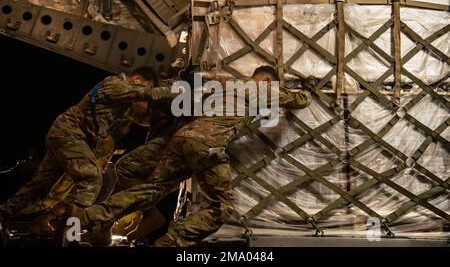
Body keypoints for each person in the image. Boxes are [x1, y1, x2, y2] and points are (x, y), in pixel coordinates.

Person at [68, 66, 314, 247]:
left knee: (152, 188)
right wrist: (309, 88)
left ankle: (86, 217)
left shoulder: (225, 86)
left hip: (182, 138)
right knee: (223, 206)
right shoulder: (260, 90)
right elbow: (299, 100)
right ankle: (171, 243)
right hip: (209, 145)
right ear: (267, 80)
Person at [0, 67, 175, 241]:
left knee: (42, 185)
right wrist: (178, 90)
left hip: (68, 136)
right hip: (69, 133)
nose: (142, 96)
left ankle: (6, 214)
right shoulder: (114, 84)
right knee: (92, 179)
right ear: (136, 79)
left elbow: (143, 117)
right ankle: (67, 233)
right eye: (144, 87)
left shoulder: (123, 102)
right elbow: (148, 95)